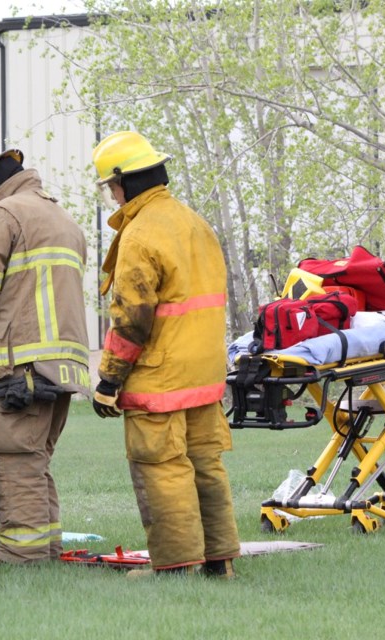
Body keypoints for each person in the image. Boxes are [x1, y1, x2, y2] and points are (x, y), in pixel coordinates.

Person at [90, 131, 240, 579]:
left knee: (163, 468)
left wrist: (109, 380)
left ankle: (175, 568)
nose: (111, 196)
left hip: (161, 377)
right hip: (205, 373)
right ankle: (220, 562)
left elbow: (132, 318)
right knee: (206, 467)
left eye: (111, 188)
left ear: (124, 183)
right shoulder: (196, 223)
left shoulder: (139, 235)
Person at [0, 148, 90, 564]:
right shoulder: (64, 219)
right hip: (62, 366)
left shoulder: (4, 215)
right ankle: (45, 549)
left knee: (10, 459)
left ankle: (20, 555)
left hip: (19, 364)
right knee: (35, 461)